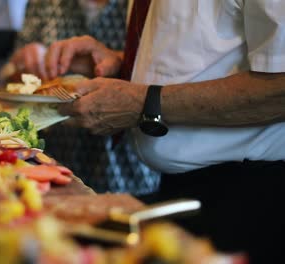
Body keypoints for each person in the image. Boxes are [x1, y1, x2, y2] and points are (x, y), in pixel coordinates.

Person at [44, 1, 285, 262]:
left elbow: (279, 88)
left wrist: (143, 102)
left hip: (251, 196)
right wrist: (121, 64)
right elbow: (203, 57)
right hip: (183, 189)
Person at [0, 0, 161, 196]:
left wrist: (111, 62)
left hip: (128, 168)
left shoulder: (147, 7)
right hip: (48, 163)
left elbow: (167, 74)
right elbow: (13, 77)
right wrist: (23, 64)